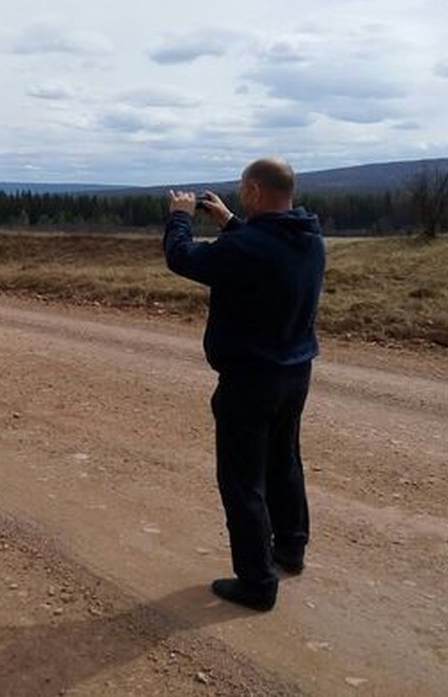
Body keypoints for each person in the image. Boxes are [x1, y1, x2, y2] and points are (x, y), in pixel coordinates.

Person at [164, 157, 325, 611]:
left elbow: (182, 257)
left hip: (251, 378)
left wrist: (179, 215)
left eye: (241, 190)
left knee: (241, 480)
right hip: (295, 372)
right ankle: (290, 549)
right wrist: (230, 221)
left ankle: (256, 582)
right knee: (284, 461)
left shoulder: (250, 247)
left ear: (255, 191)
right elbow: (262, 248)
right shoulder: (308, 237)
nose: (239, 196)